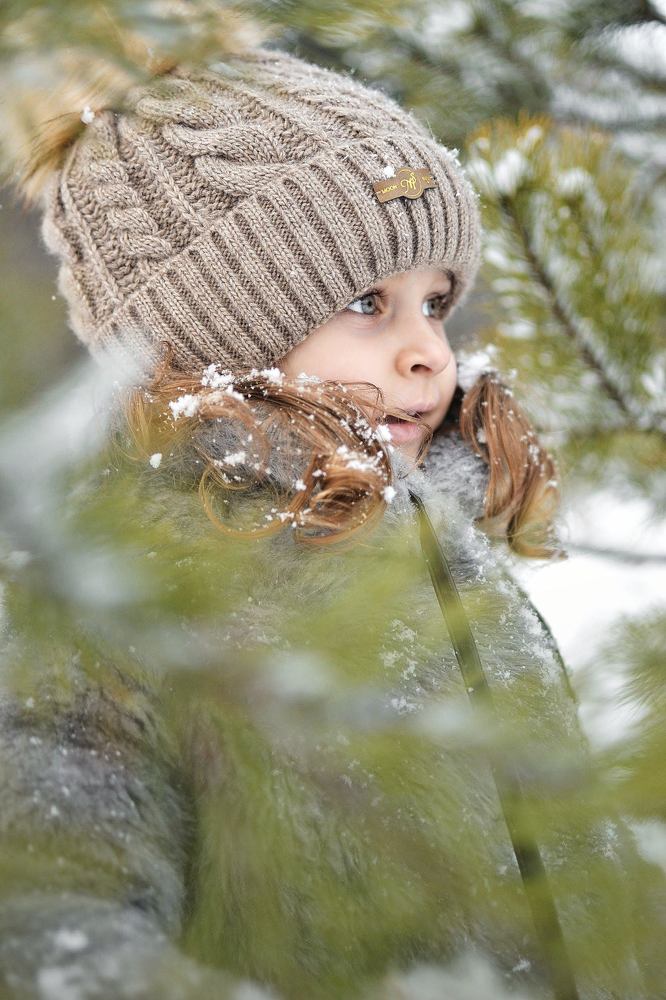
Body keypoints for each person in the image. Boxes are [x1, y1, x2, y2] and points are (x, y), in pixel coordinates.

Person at [1, 42, 664, 1000]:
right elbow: (49, 929)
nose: (429, 351)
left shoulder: (440, 543)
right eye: (367, 303)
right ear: (221, 327)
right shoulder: (120, 585)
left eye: (436, 303)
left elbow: (570, 868)